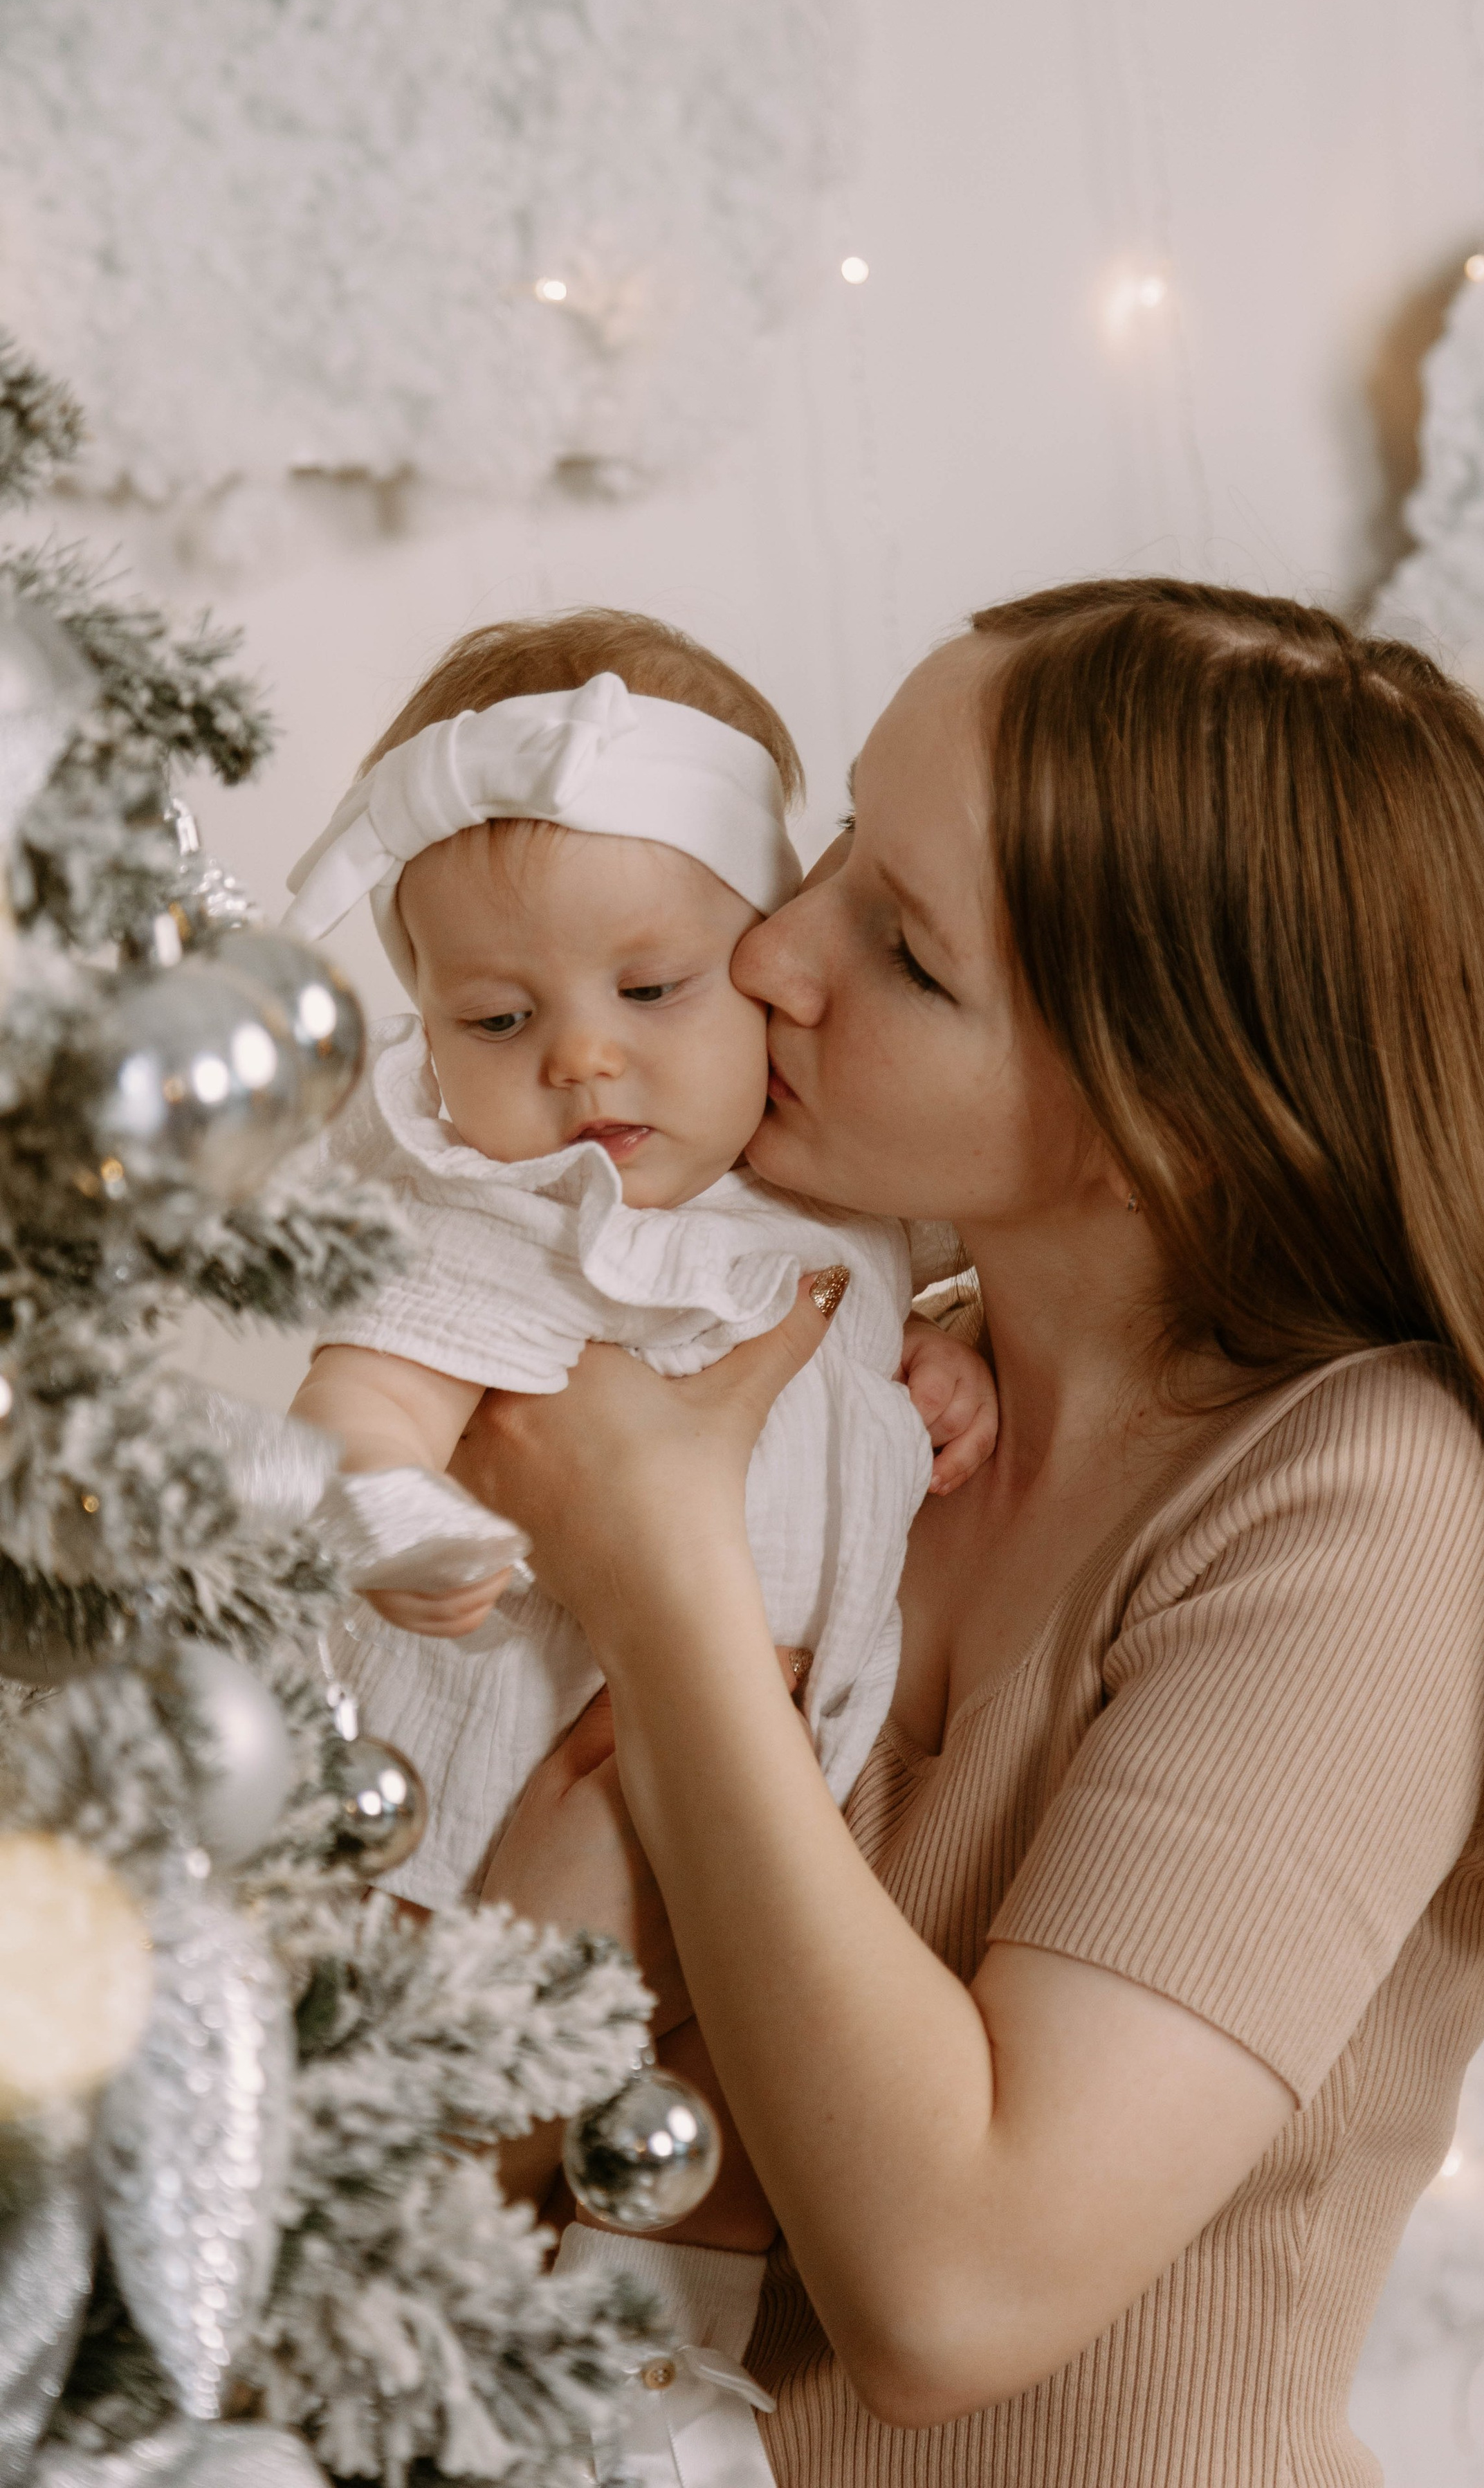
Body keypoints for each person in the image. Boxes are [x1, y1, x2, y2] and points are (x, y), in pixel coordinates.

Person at [459, 579, 1484, 2487]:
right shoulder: (828, 1404)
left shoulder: (1367, 1493)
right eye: (829, 857)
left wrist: (666, 1598)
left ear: (1174, 1112)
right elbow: (453, 2157)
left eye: (906, 950)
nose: (773, 956)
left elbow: (953, 2293)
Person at [281, 610, 996, 1910]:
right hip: (484, 1805)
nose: (581, 1058)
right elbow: (360, 1398)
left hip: (772, 1782)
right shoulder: (504, 1207)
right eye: (498, 1019)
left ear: (762, 957)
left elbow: (856, 1339)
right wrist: (393, 1512)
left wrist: (925, 1367)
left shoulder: (847, 1189)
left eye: (652, 990)